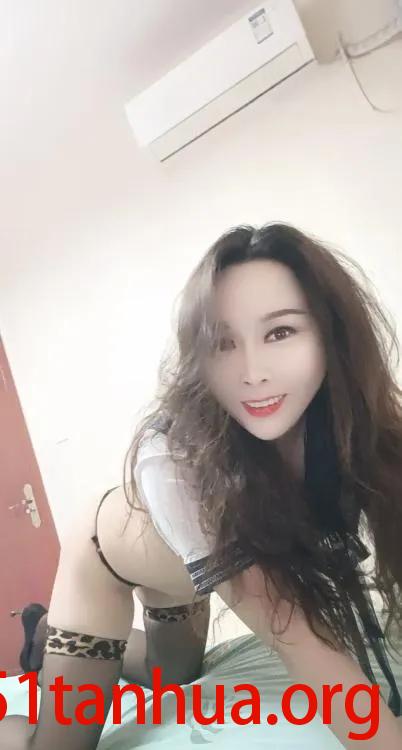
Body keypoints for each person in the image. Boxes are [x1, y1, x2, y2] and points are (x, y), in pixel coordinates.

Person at [2, 222, 402, 749]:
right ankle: (40, 663)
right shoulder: (176, 460)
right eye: (223, 343)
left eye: (280, 332)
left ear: (331, 333)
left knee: (174, 676)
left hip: (186, 571)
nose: (253, 373)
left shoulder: (361, 423)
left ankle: (47, 635)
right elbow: (295, 633)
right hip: (106, 561)